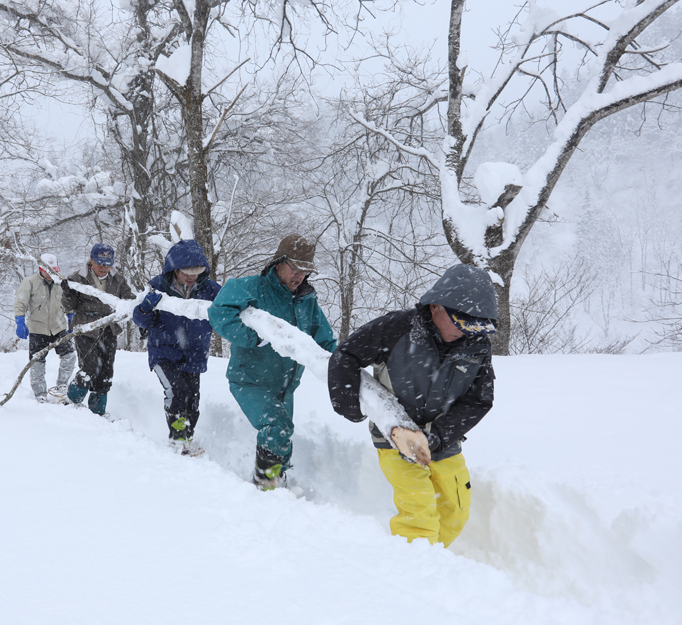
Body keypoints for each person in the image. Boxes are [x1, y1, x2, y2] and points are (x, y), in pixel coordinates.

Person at [327, 263, 497, 547]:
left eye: (475, 326)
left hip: (444, 439)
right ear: (435, 307)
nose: (467, 332)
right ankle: (414, 571)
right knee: (419, 515)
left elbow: (479, 400)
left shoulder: (477, 345)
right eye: (462, 323)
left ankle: (429, 563)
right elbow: (346, 355)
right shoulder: (396, 328)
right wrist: (349, 405)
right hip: (394, 437)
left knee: (455, 512)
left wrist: (439, 436)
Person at [207, 234, 337, 490]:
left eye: (305, 270)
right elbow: (218, 312)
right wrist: (252, 338)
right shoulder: (251, 287)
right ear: (279, 262)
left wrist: (341, 363)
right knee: (277, 426)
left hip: (285, 385)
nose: (299, 275)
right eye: (294, 268)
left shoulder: (306, 300)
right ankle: (266, 484)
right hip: (250, 380)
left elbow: (324, 339)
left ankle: (278, 478)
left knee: (283, 433)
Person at [132, 240, 221, 456]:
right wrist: (144, 309)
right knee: (177, 391)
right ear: (174, 269)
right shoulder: (157, 286)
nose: (192, 277)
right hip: (163, 351)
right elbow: (141, 320)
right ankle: (177, 439)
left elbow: (227, 314)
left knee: (192, 400)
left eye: (197, 272)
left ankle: (187, 439)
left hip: (195, 353)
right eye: (187, 272)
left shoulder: (211, 290)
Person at [61, 243, 135, 415]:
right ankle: (72, 402)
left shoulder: (118, 279)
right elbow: (68, 306)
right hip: (85, 327)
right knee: (90, 367)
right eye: (100, 263)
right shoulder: (77, 279)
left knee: (106, 370)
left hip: (109, 328)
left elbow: (128, 300)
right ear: (91, 260)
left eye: (107, 264)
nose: (103, 268)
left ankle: (98, 410)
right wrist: (68, 293)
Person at [14, 253, 77, 402]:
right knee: (37, 363)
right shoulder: (30, 282)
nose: (51, 274)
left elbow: (70, 300)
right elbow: (20, 303)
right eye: (48, 271)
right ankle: (40, 394)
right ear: (41, 268)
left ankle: (62, 386)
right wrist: (20, 320)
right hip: (38, 329)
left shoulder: (62, 282)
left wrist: (71, 316)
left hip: (59, 327)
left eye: (53, 271)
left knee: (69, 356)